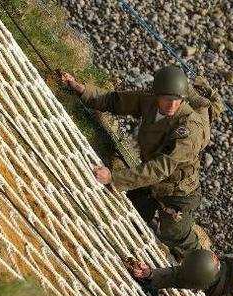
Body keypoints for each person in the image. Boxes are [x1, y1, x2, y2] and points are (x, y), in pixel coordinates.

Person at [60, 65, 212, 259]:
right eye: (167, 99)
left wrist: (114, 178)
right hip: (150, 184)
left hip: (177, 192)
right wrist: (83, 90)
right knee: (126, 216)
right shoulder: (150, 101)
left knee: (174, 236)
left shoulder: (189, 131)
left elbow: (160, 169)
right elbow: (116, 101)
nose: (171, 106)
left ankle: (202, 271)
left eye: (177, 101)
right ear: (157, 94)